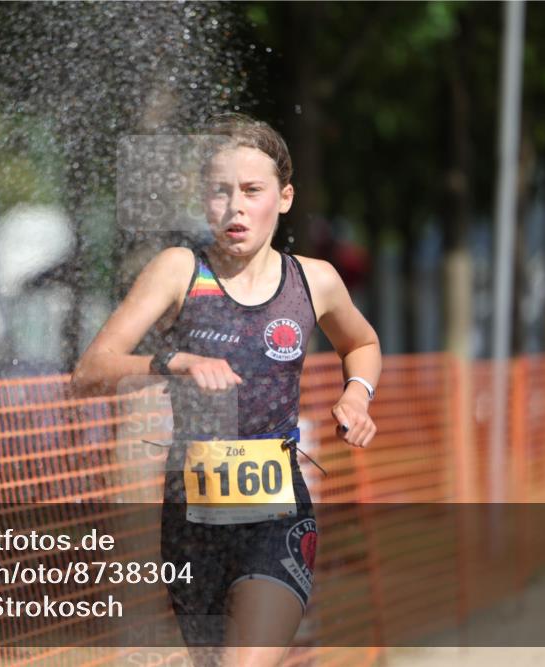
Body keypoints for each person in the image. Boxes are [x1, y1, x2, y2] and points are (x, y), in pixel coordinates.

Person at [72, 113, 381, 666]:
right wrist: (173, 363)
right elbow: (91, 371)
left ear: (284, 198)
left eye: (252, 190)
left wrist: (356, 394)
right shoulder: (178, 271)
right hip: (190, 516)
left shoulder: (314, 280)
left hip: (277, 511)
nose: (235, 207)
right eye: (219, 192)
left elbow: (361, 344)